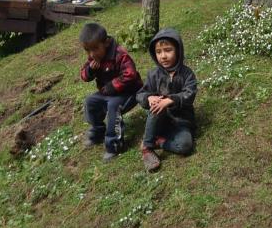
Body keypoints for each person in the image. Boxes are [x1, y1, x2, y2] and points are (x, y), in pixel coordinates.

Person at [79, 22, 143, 161]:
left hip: (129, 92)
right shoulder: (94, 57)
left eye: (95, 49)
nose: (92, 54)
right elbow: (83, 75)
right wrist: (91, 70)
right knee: (90, 101)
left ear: (106, 43)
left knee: (114, 106)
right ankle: (98, 131)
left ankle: (114, 144)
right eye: (88, 50)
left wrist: (112, 86)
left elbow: (130, 74)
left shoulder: (120, 54)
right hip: (107, 93)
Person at [137, 28, 197, 172]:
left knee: (185, 146)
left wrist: (171, 100)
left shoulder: (187, 74)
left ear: (178, 50)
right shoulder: (153, 75)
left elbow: (190, 93)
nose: (163, 56)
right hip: (160, 120)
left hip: (181, 122)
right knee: (157, 104)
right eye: (159, 52)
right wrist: (149, 97)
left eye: (168, 50)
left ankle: (159, 141)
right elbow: (140, 94)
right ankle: (147, 147)